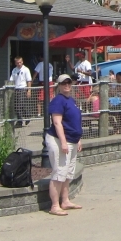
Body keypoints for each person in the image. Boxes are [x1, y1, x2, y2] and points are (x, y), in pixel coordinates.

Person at [45, 75, 83, 216]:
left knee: (68, 173)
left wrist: (78, 139)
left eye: (69, 82)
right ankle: (55, 205)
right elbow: (57, 122)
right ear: (59, 85)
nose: (67, 85)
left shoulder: (71, 100)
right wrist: (62, 142)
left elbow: (73, 121)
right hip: (60, 140)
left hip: (72, 140)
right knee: (59, 172)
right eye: (63, 83)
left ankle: (65, 201)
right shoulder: (58, 101)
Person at [8, 56, 32, 126]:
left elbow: (29, 80)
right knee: (17, 106)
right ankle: (26, 116)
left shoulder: (26, 69)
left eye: (20, 62)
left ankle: (20, 121)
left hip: (23, 88)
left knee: (20, 105)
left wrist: (29, 90)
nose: (19, 64)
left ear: (22, 62)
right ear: (15, 63)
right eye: (17, 63)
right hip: (16, 89)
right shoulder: (14, 70)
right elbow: (11, 80)